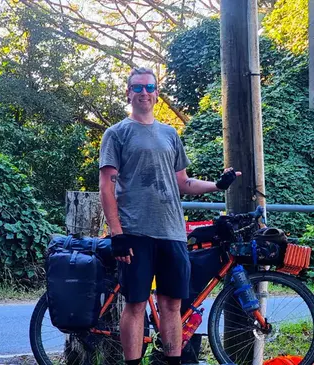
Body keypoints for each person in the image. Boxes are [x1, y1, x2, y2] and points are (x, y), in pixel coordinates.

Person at [99, 67, 240, 365]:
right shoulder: (116, 134)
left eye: (149, 87)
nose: (144, 92)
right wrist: (117, 234)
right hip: (135, 232)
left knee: (172, 304)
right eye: (137, 87)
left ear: (157, 93)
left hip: (172, 232)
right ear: (128, 93)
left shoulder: (169, 133)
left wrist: (218, 184)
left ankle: (173, 361)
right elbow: (106, 187)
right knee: (136, 304)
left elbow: (183, 182)